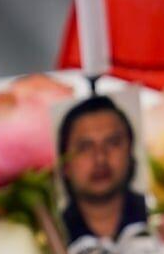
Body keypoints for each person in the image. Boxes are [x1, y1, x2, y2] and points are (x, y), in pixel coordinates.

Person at [57, 94, 149, 245]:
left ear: (131, 152)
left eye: (113, 143)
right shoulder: (52, 235)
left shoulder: (161, 219)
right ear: (65, 165)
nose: (100, 158)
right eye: (85, 147)